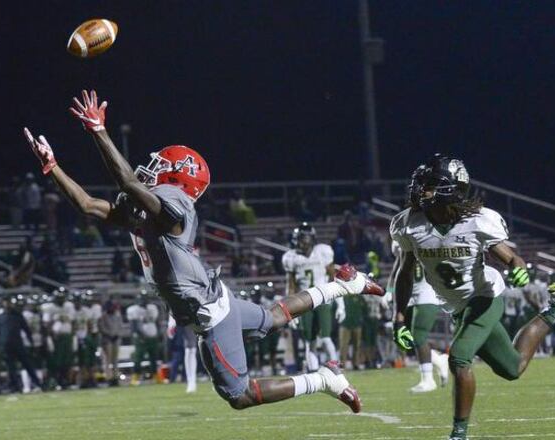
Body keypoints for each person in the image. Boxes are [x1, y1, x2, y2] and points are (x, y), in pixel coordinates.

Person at [24, 89, 384, 411]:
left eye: (163, 167)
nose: (153, 170)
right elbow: (88, 205)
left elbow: (129, 183)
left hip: (208, 311)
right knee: (272, 318)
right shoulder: (147, 211)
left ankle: (323, 379)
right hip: (212, 296)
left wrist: (99, 132)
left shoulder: (173, 210)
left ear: (179, 180)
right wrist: (52, 167)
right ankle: (345, 285)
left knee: (239, 395)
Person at [389, 154, 555, 440]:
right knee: (512, 368)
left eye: (430, 185)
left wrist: (518, 271)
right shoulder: (409, 224)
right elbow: (404, 273)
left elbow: (512, 258)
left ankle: (458, 435)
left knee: (460, 358)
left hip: (485, 296)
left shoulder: (477, 222)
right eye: (422, 184)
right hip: (456, 305)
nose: (421, 190)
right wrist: (399, 317)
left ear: (451, 188)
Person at [282, 223, 344, 371]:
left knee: (326, 337)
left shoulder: (323, 252)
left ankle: (336, 370)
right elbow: (290, 286)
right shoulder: (291, 257)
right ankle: (314, 372)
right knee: (310, 341)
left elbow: (333, 278)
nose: (302, 241)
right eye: (300, 238)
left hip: (323, 299)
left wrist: (340, 303)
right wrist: (290, 311)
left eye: (305, 238)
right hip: (304, 302)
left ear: (312, 238)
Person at [389, 240, 448, 393]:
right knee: (409, 339)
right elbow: (398, 267)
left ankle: (428, 380)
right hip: (409, 293)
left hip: (427, 291)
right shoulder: (402, 235)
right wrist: (389, 290)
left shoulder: (426, 237)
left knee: (418, 336)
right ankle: (439, 360)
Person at [0, 296, 42, 393]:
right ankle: (15, 386)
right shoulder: (0, 317)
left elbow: (26, 329)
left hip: (18, 344)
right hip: (6, 346)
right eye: (6, 302)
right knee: (11, 368)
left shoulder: (18, 316)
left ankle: (37, 383)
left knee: (27, 364)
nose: (7, 305)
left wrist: (31, 342)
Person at [41, 289, 75, 389]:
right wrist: (49, 336)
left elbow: (72, 321)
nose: (61, 300)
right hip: (56, 337)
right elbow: (46, 324)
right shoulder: (49, 308)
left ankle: (65, 380)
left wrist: (73, 334)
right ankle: (56, 380)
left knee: (67, 360)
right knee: (56, 360)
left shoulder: (69, 306)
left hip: (67, 336)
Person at [127, 292, 161, 385]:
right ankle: (135, 378)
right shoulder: (134, 310)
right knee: (138, 358)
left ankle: (156, 377)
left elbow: (157, 322)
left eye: (145, 299)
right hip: (141, 338)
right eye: (142, 299)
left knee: (154, 358)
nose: (144, 301)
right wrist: (141, 336)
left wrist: (158, 333)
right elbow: (134, 326)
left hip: (152, 337)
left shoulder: (152, 308)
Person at [22, 295, 47, 389]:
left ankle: (38, 384)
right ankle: (26, 386)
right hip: (27, 342)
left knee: (38, 364)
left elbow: (41, 328)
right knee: (26, 364)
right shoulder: (24, 314)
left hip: (38, 342)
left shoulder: (39, 314)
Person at [99, 299, 123, 386]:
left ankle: (115, 377)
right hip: (107, 340)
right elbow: (102, 328)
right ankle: (109, 377)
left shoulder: (118, 315)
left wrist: (117, 335)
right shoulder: (103, 316)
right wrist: (109, 335)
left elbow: (120, 326)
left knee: (115, 360)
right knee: (107, 360)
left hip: (116, 339)